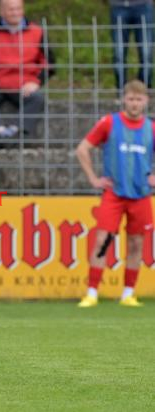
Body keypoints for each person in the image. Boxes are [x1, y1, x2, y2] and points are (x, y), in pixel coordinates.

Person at [76, 80, 155, 308]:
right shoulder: (110, 123)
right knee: (103, 240)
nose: (134, 104)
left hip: (140, 195)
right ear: (124, 100)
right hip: (114, 193)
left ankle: (128, 293)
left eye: (139, 99)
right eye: (131, 99)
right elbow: (83, 149)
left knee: (136, 243)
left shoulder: (150, 128)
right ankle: (92, 293)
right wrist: (93, 178)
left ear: (146, 101)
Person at [0, 0, 55, 140]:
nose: (15, 13)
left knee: (38, 98)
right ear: (2, 11)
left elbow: (48, 62)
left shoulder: (37, 31)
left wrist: (36, 82)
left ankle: (15, 129)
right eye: (11, 9)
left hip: (25, 87)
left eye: (18, 9)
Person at [110, 0, 153, 95]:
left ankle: (144, 94)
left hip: (144, 5)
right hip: (118, 6)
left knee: (146, 53)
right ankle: (122, 93)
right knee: (119, 53)